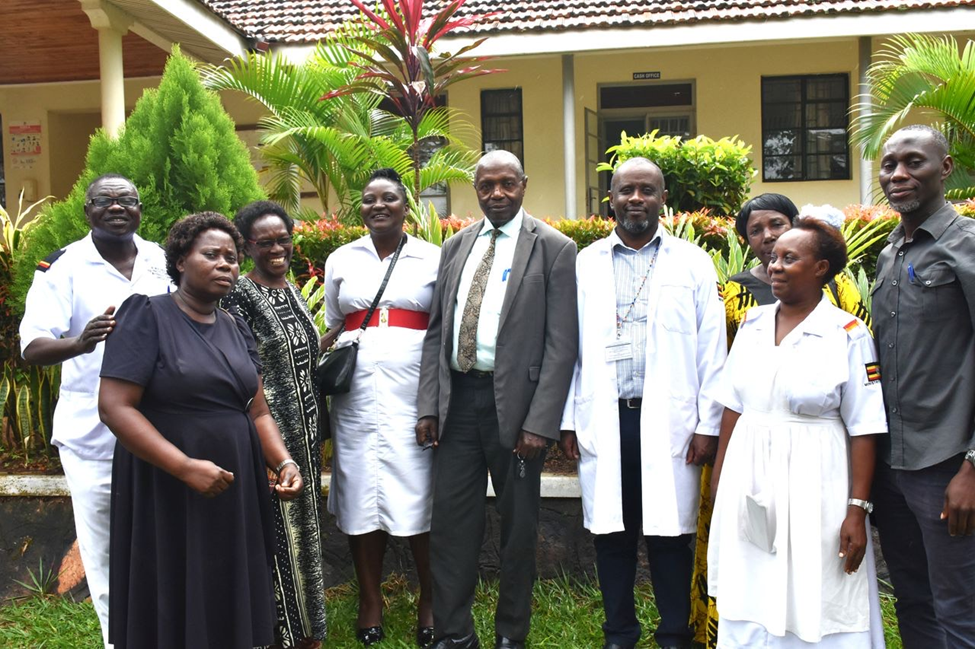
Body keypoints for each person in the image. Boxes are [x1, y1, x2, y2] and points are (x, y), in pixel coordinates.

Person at [98, 212, 303, 649]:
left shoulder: (235, 327)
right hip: (167, 482)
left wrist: (283, 461)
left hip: (236, 483)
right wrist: (185, 466)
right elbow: (115, 408)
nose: (225, 264)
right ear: (180, 261)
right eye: (211, 255)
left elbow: (258, 410)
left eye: (232, 256)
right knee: (175, 580)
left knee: (226, 579)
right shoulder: (147, 316)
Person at [690, 194, 874, 648]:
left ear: (821, 269)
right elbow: (733, 406)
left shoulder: (848, 334)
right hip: (750, 475)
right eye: (773, 258)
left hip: (819, 478)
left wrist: (857, 510)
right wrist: (722, 482)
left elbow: (866, 427)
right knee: (752, 578)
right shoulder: (752, 324)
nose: (774, 264)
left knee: (817, 581)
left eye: (789, 258)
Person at [559, 157, 726, 649]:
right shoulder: (585, 262)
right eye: (626, 190)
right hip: (605, 415)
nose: (636, 199)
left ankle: (674, 631)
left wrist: (708, 425)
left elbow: (711, 349)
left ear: (663, 197)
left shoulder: (692, 262)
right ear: (609, 198)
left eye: (647, 190)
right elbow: (569, 348)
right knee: (612, 532)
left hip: (672, 422)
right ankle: (619, 632)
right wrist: (569, 419)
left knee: (669, 535)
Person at [416, 150, 578, 649]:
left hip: (517, 409)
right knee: (450, 524)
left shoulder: (554, 248)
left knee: (518, 527)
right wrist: (428, 406)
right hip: (459, 405)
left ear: (524, 185)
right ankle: (454, 633)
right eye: (487, 186)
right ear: (477, 189)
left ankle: (511, 633)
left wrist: (540, 423)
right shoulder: (457, 245)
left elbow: (561, 344)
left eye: (507, 184)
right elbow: (437, 331)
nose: (497, 194)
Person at [19, 173, 172, 647]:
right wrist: (79, 342)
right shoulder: (63, 267)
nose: (116, 206)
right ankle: (118, 641)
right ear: (87, 210)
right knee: (105, 551)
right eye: (104, 200)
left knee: (162, 544)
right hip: (93, 437)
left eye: (127, 199)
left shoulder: (161, 259)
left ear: (140, 209)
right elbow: (32, 346)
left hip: (163, 427)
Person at [324, 169, 440, 647]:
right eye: (369, 199)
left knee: (419, 492)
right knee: (359, 493)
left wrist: (436, 400)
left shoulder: (434, 257)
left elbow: (444, 325)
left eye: (388, 198)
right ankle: (370, 600)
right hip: (355, 397)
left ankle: (429, 599)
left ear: (405, 205)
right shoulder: (340, 258)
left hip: (415, 394)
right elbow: (335, 323)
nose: (378, 206)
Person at [870, 124, 975, 648]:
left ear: (946, 169)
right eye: (890, 165)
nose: (899, 175)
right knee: (912, 597)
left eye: (915, 162)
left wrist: (972, 466)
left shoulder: (967, 246)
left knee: (960, 606)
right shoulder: (891, 253)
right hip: (892, 464)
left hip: (946, 464)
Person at [222, 200, 327, 649]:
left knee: (303, 529)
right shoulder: (239, 296)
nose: (276, 249)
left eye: (283, 239)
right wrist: (266, 451)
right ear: (247, 247)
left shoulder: (292, 290)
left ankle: (307, 629)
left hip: (305, 433)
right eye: (264, 243)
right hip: (268, 436)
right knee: (276, 535)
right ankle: (277, 633)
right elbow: (238, 370)